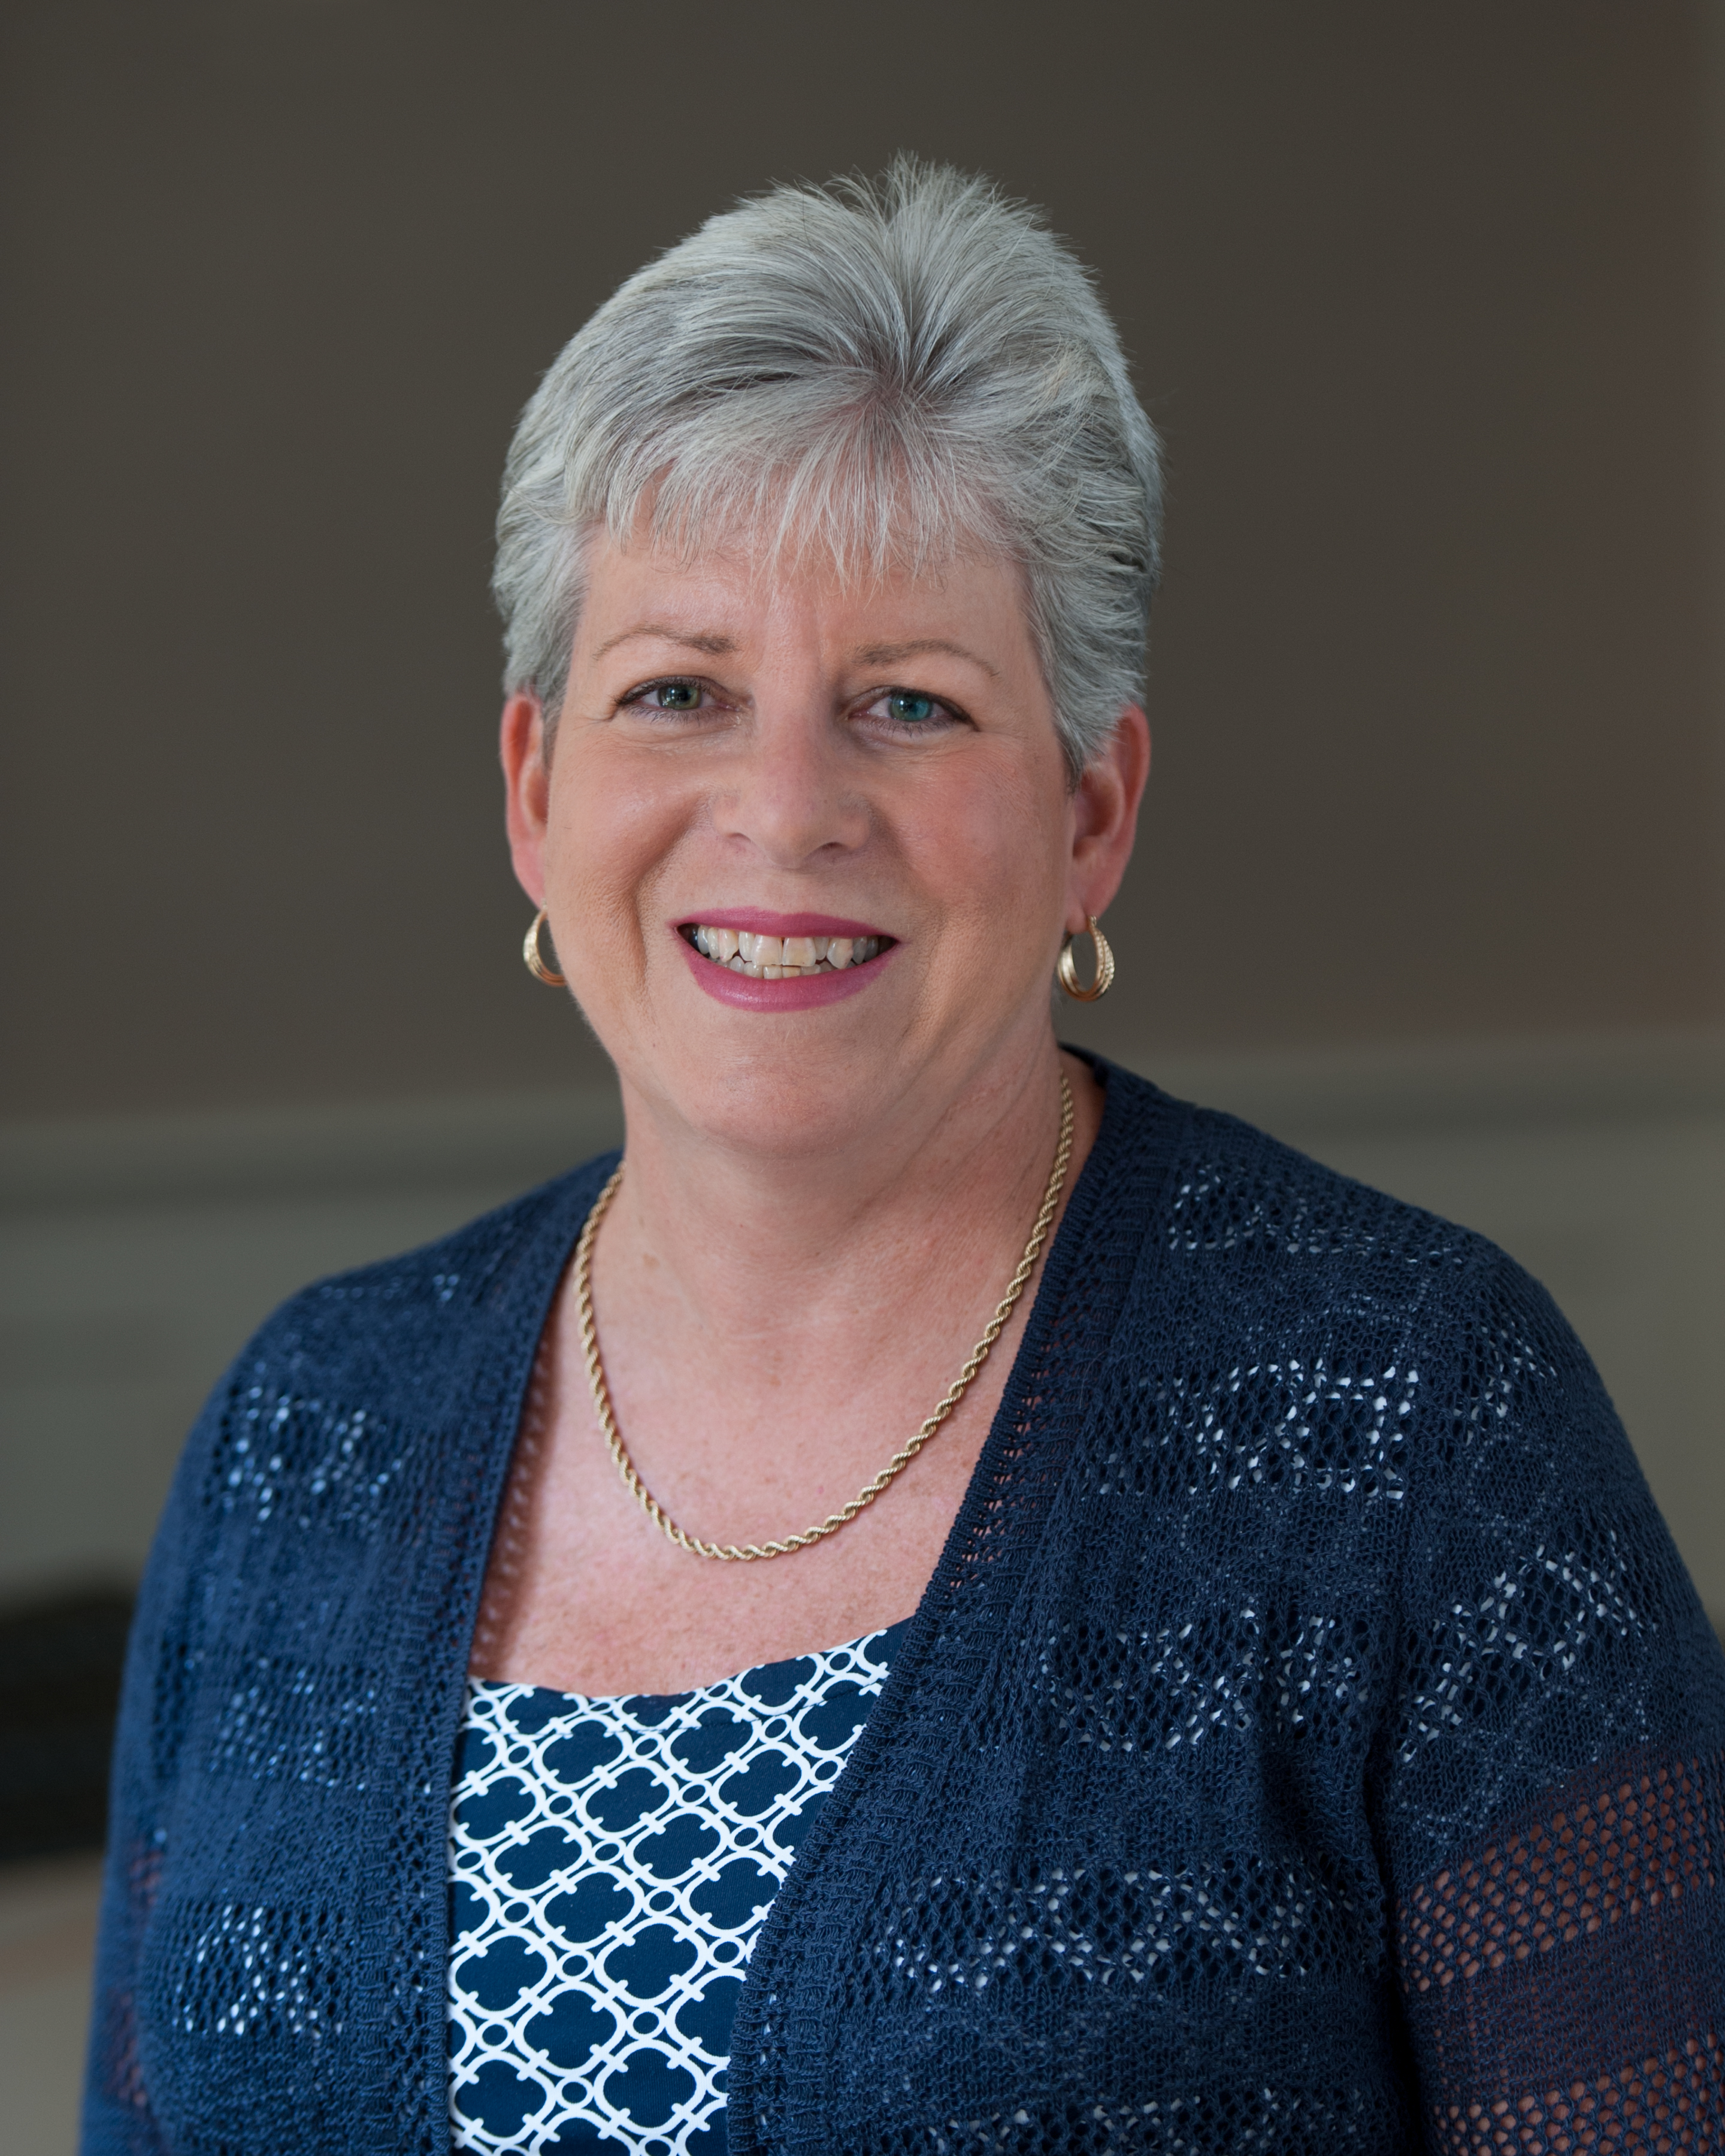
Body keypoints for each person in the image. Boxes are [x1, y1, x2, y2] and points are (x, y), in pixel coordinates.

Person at [84, 161, 1724, 2156]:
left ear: (1091, 813)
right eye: (676, 693)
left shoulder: (1414, 1422)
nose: (785, 813)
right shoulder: (305, 1432)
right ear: (535, 791)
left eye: (910, 706)